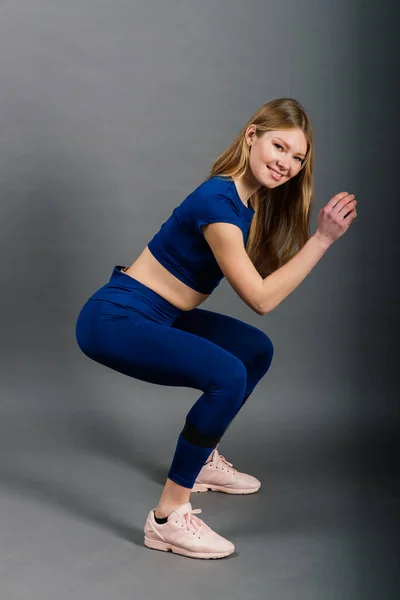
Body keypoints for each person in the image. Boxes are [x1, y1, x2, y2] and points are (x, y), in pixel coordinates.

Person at [75, 97, 357, 560]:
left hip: (159, 313)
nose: (286, 163)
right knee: (227, 375)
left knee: (253, 351)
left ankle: (202, 461)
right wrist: (322, 239)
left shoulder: (244, 203)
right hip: (116, 317)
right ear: (252, 137)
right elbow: (262, 299)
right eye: (279, 147)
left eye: (297, 157)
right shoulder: (218, 201)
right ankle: (167, 518)